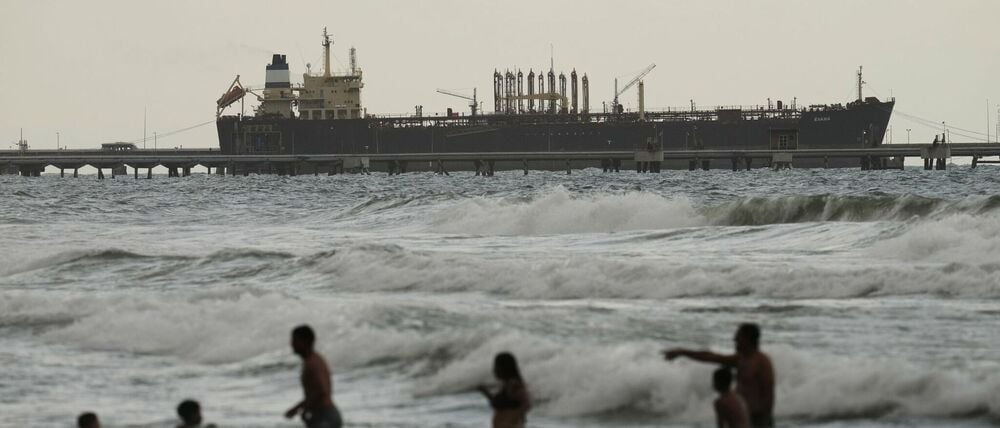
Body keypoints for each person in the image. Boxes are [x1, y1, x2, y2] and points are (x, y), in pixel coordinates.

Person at [663, 323, 775, 428]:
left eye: (738, 337)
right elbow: (710, 357)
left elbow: (769, 395)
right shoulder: (740, 359)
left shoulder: (762, 362)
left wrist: (766, 421)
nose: (735, 339)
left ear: (747, 339)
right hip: (740, 417)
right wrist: (682, 352)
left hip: (758, 419)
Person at [285, 325, 342, 428]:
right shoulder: (312, 360)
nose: (291, 344)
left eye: (295, 340)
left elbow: (321, 391)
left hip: (325, 416)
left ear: (305, 341)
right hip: (322, 415)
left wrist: (297, 408)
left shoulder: (313, 363)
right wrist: (305, 408)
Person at [478, 352, 531, 428]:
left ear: (504, 368)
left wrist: (513, 416)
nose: (494, 370)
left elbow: (527, 404)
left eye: (496, 367)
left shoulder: (514, 384)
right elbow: (501, 405)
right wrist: (485, 392)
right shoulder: (506, 385)